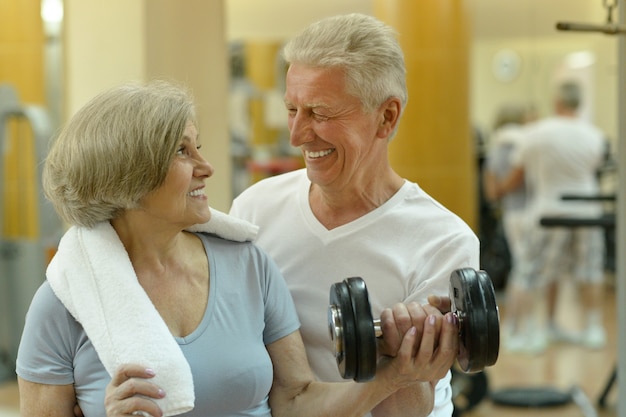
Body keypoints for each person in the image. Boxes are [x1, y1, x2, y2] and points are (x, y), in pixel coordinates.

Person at [15, 80, 460, 417]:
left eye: (199, 148)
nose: (206, 168)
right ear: (128, 177)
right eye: (183, 153)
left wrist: (396, 376)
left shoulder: (247, 264)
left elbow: (296, 399)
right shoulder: (62, 304)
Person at [230, 13, 479, 417]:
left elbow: (406, 409)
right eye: (292, 109)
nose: (297, 134)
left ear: (387, 116)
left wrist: (400, 360)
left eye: (321, 113)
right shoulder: (253, 210)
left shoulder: (444, 240)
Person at [495, 80, 607, 351]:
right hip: (588, 210)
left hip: (548, 210)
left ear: (556, 102)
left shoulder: (537, 133)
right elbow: (596, 167)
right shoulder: (595, 135)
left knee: (529, 271)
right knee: (589, 270)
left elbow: (516, 170)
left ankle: (520, 331)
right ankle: (592, 327)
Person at [482, 102, 533, 352]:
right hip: (527, 213)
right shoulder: (524, 145)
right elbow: (510, 182)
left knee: (522, 269)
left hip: (511, 214)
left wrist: (502, 190)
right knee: (525, 272)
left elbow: (491, 191)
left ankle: (517, 327)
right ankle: (516, 328)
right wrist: (508, 185)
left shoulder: (495, 149)